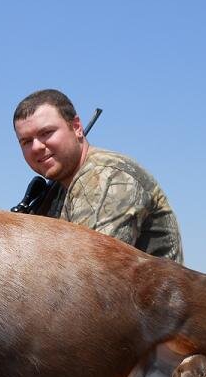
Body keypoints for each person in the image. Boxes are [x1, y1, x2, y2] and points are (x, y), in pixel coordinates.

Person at [13, 89, 184, 264]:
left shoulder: (107, 176)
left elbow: (88, 270)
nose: (36, 147)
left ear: (77, 127)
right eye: (26, 141)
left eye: (46, 133)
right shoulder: (57, 191)